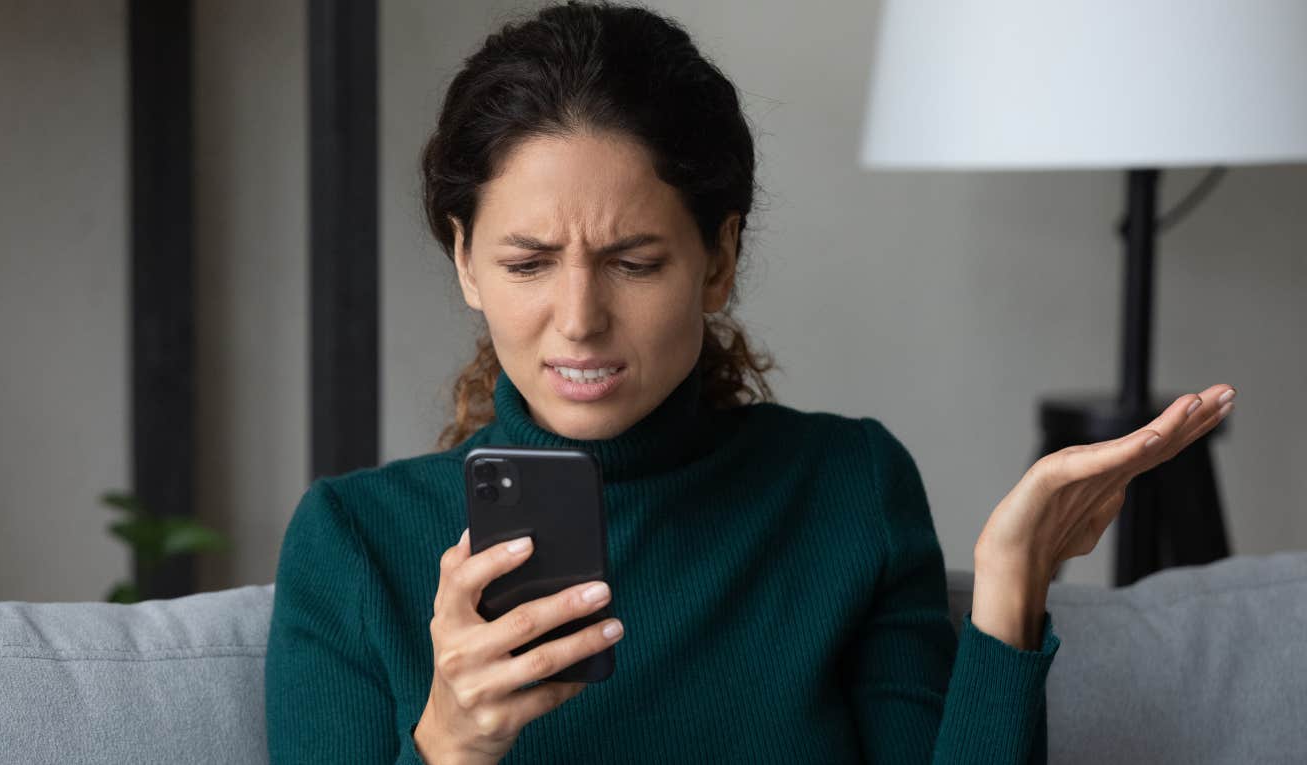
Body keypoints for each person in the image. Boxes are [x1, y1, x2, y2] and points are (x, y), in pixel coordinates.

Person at [263, 2, 1237, 763]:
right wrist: (447, 746)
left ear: (717, 260)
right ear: (466, 262)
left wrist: (1012, 586)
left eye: (634, 262)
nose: (578, 318)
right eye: (526, 263)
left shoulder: (845, 486)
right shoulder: (355, 544)